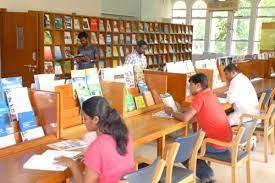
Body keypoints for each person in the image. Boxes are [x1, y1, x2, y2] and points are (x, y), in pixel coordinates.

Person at [164, 73, 233, 183]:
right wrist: (181, 109)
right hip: (226, 140)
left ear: (198, 86)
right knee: (190, 145)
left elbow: (186, 118)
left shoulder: (199, 97)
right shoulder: (210, 94)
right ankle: (206, 174)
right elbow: (195, 113)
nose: (189, 88)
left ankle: (208, 176)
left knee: (182, 151)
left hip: (215, 143)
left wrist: (172, 113)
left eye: (190, 85)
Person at [55, 96, 134, 183]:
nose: (83, 122)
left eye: (85, 118)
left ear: (96, 119)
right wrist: (91, 157)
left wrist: (72, 165)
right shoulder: (124, 134)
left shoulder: (96, 146)